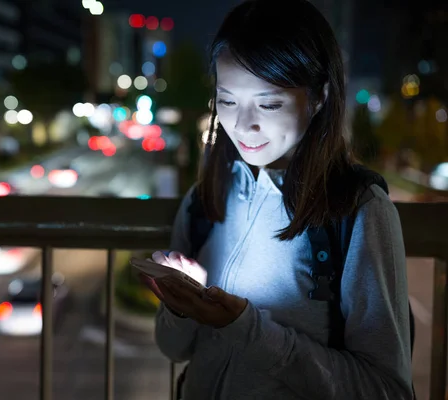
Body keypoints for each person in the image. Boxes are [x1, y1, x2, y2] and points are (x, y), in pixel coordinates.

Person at [139, 0, 414, 399]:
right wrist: (180, 307)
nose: (242, 124)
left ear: (319, 97)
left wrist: (246, 328)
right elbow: (173, 347)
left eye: (269, 103)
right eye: (227, 100)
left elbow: (385, 389)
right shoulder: (205, 198)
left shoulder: (356, 210)